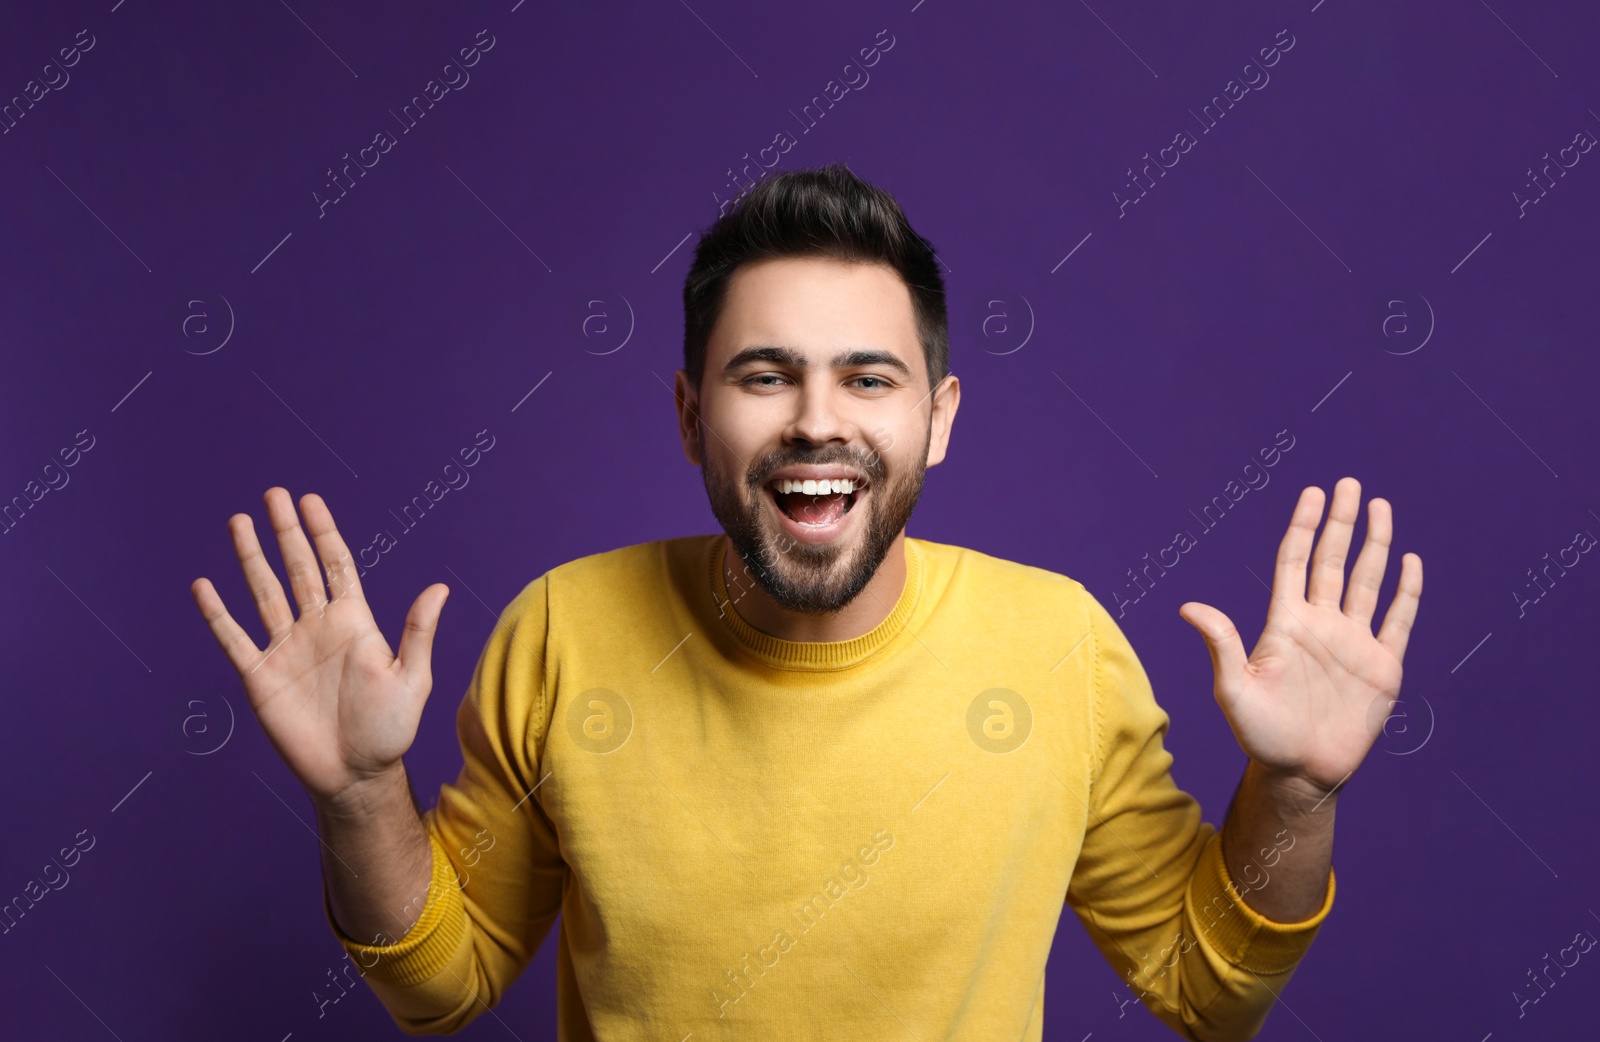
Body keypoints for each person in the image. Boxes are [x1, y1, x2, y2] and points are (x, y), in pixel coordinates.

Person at [190, 163, 1422, 1040]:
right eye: (765, 374)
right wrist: (358, 799)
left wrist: (1295, 793)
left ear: (937, 420)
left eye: (869, 377)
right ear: (690, 417)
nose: (818, 421)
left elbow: (1205, 992)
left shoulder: (1058, 647)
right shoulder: (562, 630)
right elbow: (440, 987)